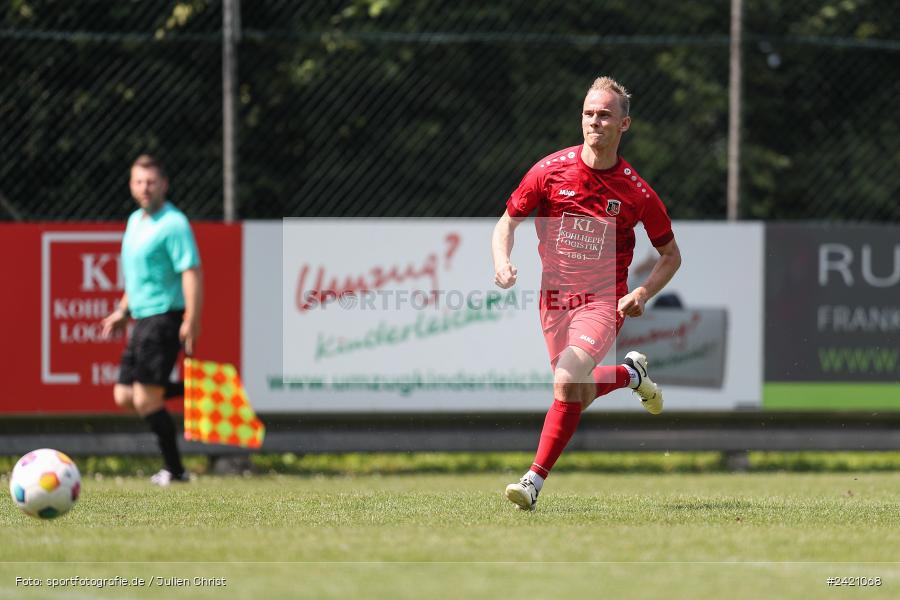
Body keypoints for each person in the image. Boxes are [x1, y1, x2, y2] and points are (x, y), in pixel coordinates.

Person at [492, 77, 682, 510]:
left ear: (624, 124)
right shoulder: (549, 170)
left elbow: (670, 255)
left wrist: (644, 292)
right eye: (589, 113)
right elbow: (506, 223)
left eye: (605, 115)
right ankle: (630, 375)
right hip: (554, 300)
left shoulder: (635, 191)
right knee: (572, 392)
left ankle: (532, 482)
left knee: (565, 380)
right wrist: (502, 262)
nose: (595, 121)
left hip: (602, 300)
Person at [101, 154, 203, 486]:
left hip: (163, 318)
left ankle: (175, 471)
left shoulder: (174, 223)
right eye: (139, 182)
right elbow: (138, 277)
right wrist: (122, 310)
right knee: (125, 396)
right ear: (132, 185)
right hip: (140, 318)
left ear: (164, 185)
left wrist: (192, 317)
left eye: (151, 182)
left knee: (146, 398)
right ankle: (197, 390)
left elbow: (190, 271)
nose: (145, 188)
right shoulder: (135, 221)